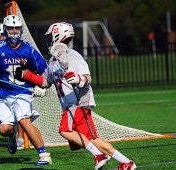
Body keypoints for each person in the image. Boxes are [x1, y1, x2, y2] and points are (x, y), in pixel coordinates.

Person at [16, 22, 137, 170]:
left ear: (58, 36)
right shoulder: (54, 60)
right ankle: (126, 162)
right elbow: (46, 82)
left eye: (51, 37)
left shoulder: (73, 56)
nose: (49, 40)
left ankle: (99, 155)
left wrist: (79, 79)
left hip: (78, 101)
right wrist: (26, 74)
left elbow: (87, 77)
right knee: (92, 139)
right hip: (70, 103)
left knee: (64, 131)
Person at [0, 15, 52, 166]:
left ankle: (44, 155)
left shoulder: (29, 51)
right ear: (6, 30)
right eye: (11, 28)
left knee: (24, 120)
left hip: (23, 91)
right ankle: (12, 137)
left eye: (17, 28)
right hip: (2, 93)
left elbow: (46, 74)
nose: (14, 31)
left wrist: (39, 87)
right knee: (4, 130)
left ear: (21, 30)